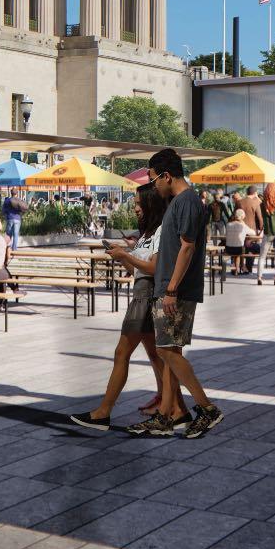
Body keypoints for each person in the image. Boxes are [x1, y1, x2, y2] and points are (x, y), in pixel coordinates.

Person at [128, 149, 222, 440]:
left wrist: (170, 289)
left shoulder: (188, 202)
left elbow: (187, 247)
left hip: (175, 291)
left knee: (167, 350)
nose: (153, 185)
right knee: (169, 351)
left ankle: (206, 408)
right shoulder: (180, 202)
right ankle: (166, 416)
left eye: (154, 178)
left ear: (167, 175)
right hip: (169, 289)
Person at [72, 185, 172, 431]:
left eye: (139, 203)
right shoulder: (148, 232)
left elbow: (155, 269)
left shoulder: (161, 231)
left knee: (121, 354)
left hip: (146, 299)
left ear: (152, 204)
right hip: (142, 294)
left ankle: (103, 412)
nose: (135, 207)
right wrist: (124, 256)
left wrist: (126, 256)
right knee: (156, 356)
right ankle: (167, 405)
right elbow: (138, 270)